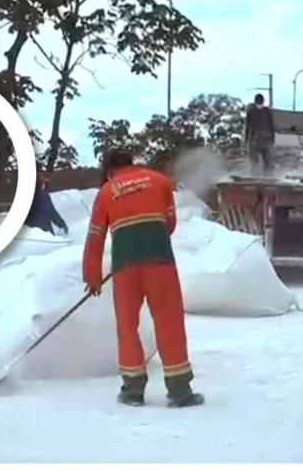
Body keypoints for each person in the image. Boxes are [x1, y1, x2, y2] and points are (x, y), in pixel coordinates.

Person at [82, 150, 203, 408]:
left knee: (127, 326)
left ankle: (132, 390)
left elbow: (95, 237)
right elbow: (169, 223)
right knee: (169, 322)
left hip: (125, 267)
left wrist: (91, 276)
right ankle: (180, 391)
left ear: (109, 170)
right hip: (159, 262)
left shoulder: (105, 192)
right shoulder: (159, 181)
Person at [24, 172, 69, 236]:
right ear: (41, 184)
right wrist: (62, 224)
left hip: (27, 234)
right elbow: (51, 211)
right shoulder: (42, 196)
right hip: (43, 232)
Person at [244, 93, 275, 174]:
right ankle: (268, 177)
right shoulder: (268, 111)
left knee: (254, 162)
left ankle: (255, 177)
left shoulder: (251, 112)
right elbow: (271, 125)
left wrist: (246, 140)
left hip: (255, 139)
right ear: (263, 101)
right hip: (267, 138)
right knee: (268, 161)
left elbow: (248, 127)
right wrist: (272, 139)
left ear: (255, 101)